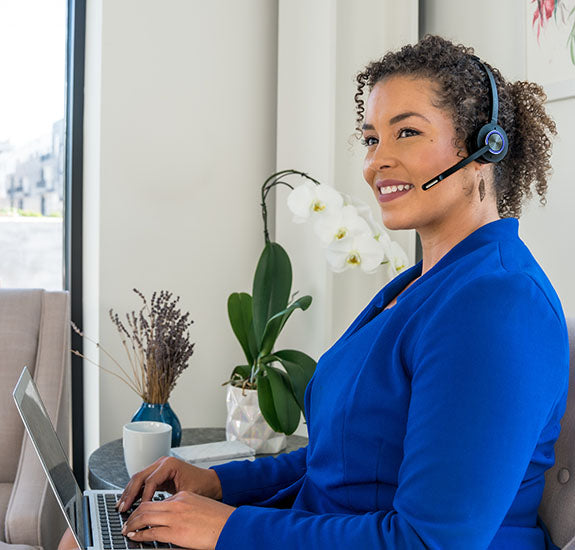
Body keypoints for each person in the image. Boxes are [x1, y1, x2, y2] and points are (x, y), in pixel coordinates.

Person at [59, 35, 568, 550]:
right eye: (371, 139)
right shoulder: (423, 286)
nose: (377, 162)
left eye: (407, 133)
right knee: (84, 535)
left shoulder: (497, 306)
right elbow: (345, 453)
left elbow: (429, 542)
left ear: (485, 147)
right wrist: (217, 484)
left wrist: (227, 528)